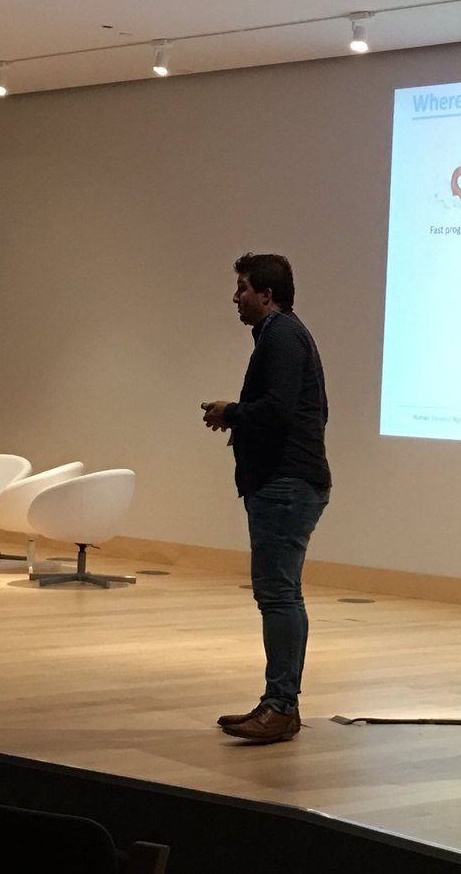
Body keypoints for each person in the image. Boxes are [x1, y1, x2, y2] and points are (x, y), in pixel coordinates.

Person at [201, 252, 331, 744]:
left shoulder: (282, 336)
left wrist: (231, 412)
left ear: (266, 294)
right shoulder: (282, 335)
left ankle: (281, 706)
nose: (235, 297)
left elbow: (277, 410)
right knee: (279, 593)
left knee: (279, 595)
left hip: (286, 484)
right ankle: (277, 703)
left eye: (242, 288)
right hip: (285, 483)